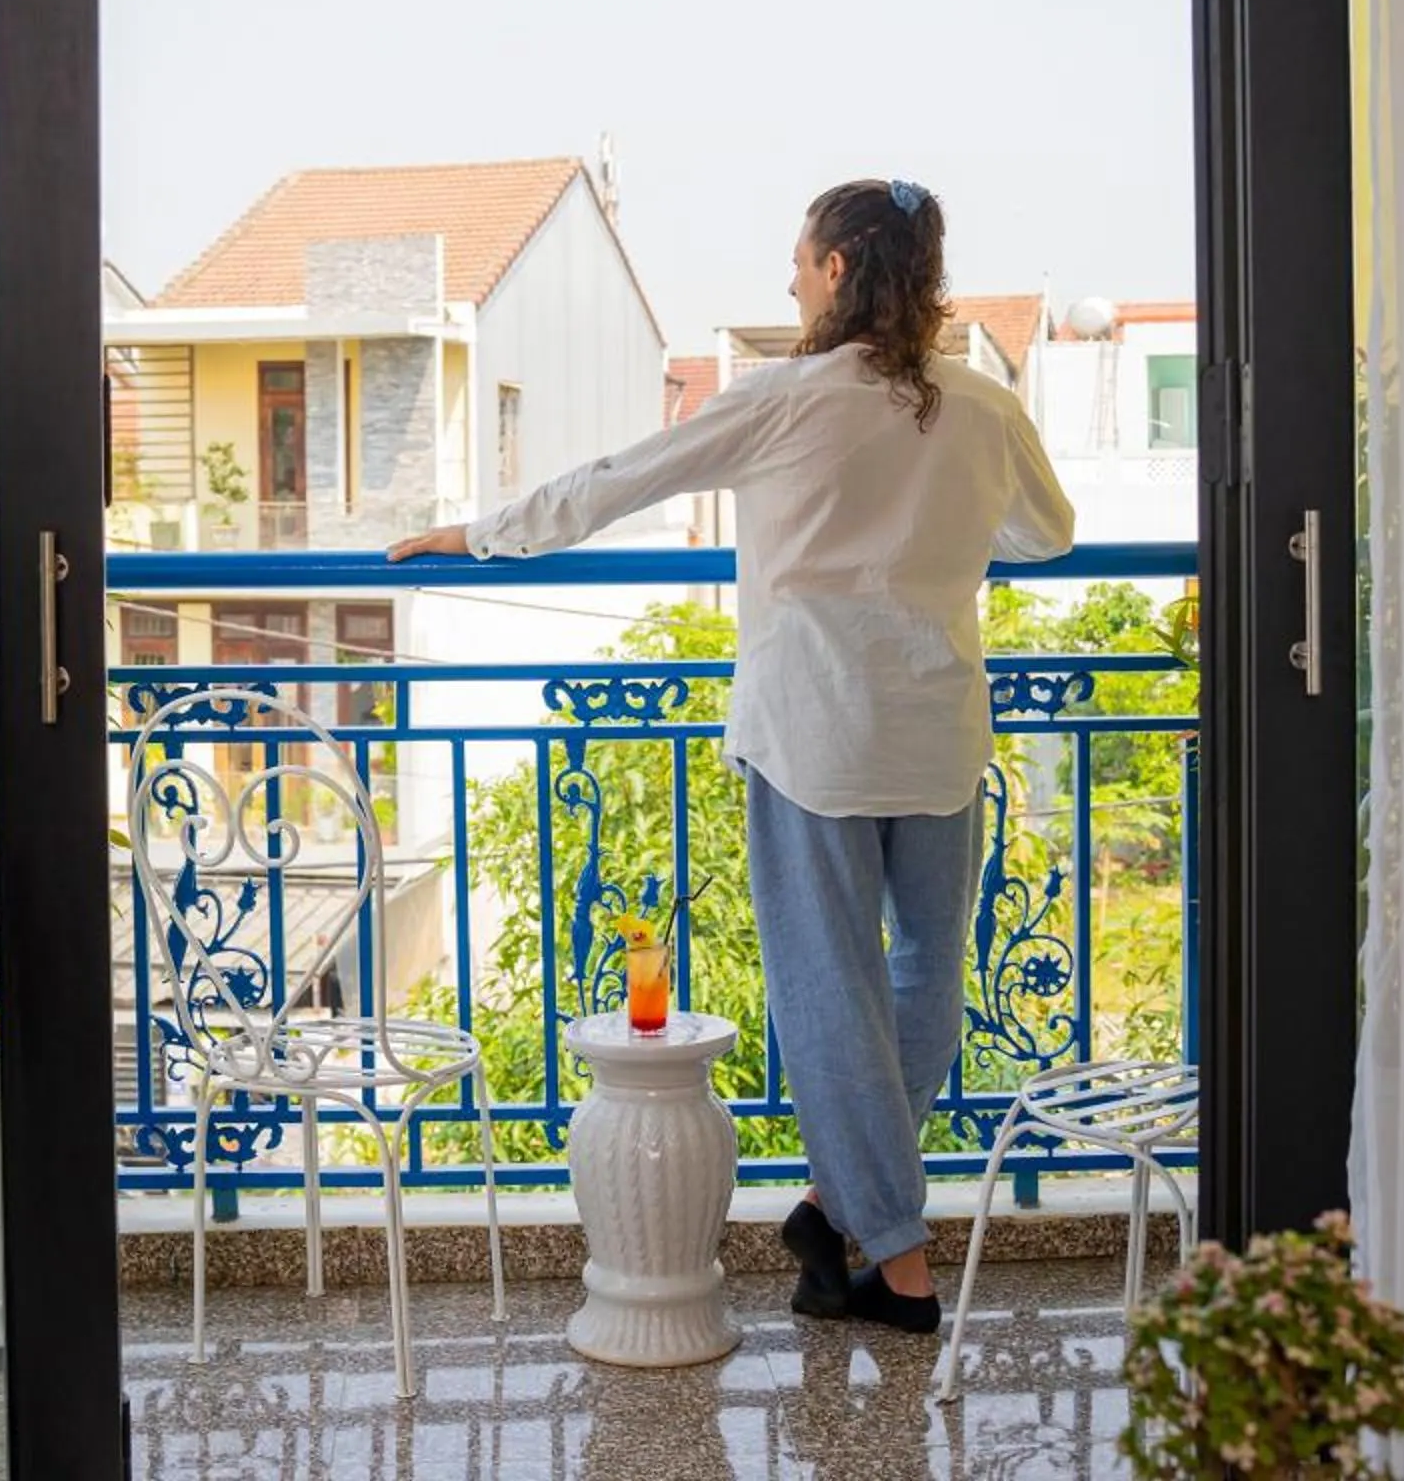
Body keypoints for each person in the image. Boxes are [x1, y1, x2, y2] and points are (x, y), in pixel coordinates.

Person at [390, 177, 1077, 1334]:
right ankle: (832, 1211)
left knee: (829, 992)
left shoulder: (784, 399)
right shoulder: (981, 402)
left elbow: (615, 482)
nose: (791, 280)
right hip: (939, 733)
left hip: (814, 734)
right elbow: (1047, 533)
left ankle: (901, 1260)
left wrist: (480, 533)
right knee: (925, 979)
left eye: (801, 261)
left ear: (840, 269)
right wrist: (944, 524)